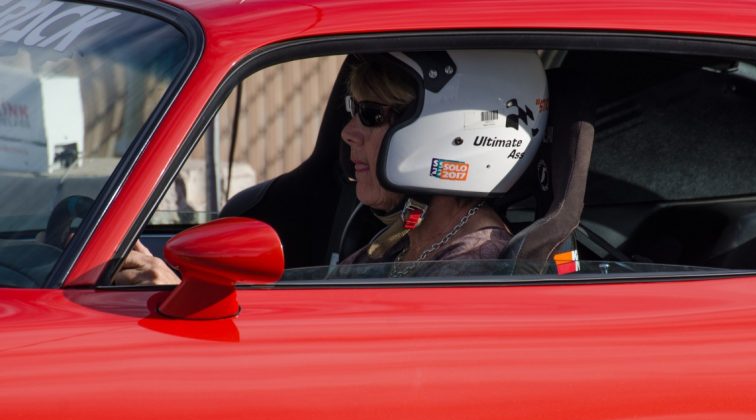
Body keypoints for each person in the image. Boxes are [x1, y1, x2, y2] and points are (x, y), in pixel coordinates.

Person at [113, 49, 549, 284]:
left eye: (372, 115)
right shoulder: (407, 239)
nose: (348, 132)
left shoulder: (476, 270)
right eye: (352, 110)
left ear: (452, 130)